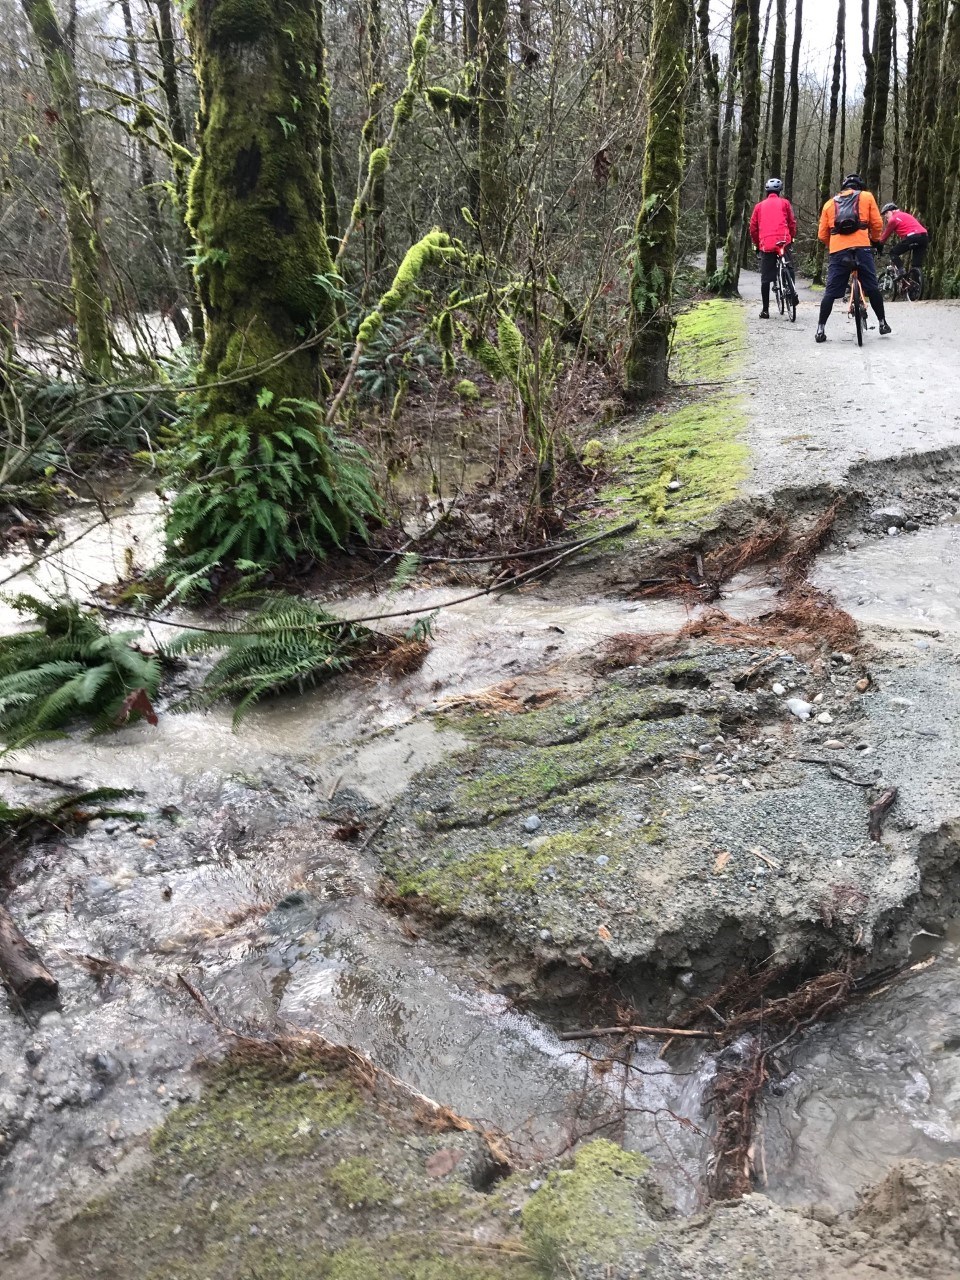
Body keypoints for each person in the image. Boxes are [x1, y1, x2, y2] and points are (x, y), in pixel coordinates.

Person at [815, 173, 890, 342]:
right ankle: (882, 322)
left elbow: (822, 234)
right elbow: (877, 223)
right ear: (859, 187)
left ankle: (820, 329)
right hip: (862, 247)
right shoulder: (866, 197)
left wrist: (834, 245)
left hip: (838, 250)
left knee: (830, 292)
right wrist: (876, 240)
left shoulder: (828, 204)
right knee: (872, 286)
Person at [750, 177, 800, 317]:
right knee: (789, 267)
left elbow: (753, 228)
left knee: (766, 278)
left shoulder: (759, 207)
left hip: (767, 244)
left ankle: (765, 310)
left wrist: (757, 244)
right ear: (779, 191)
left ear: (767, 191)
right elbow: (792, 222)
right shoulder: (785, 203)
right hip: (783, 241)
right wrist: (792, 237)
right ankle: (791, 293)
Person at [877, 202, 929, 280]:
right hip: (924, 237)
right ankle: (916, 287)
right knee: (916, 265)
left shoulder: (893, 219)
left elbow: (884, 237)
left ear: (892, 211)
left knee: (893, 252)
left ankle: (901, 271)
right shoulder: (906, 215)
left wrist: (879, 247)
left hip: (912, 237)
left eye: (886, 213)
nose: (885, 216)